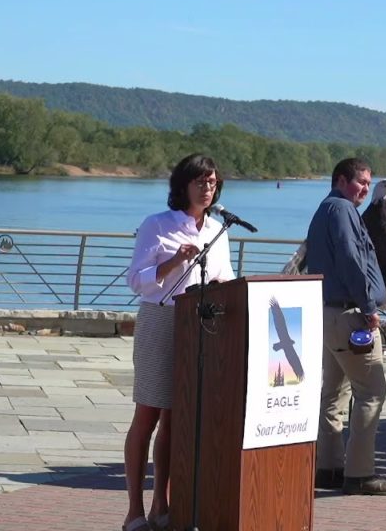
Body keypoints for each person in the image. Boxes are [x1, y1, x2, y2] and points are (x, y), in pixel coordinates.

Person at [122, 153, 235, 531]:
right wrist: (173, 261)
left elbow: (226, 279)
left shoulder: (218, 231)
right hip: (161, 320)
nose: (208, 188)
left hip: (198, 325)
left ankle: (161, 506)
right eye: (201, 182)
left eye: (213, 182)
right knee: (149, 415)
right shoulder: (158, 225)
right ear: (182, 186)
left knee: (176, 419)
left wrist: (221, 289)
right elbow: (136, 280)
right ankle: (134, 511)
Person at [306, 157, 386, 496]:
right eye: (360, 181)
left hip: (329, 314)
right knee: (372, 391)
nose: (364, 188)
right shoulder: (343, 211)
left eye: (367, 183)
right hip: (350, 316)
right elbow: (350, 259)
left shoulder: (326, 211)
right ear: (340, 180)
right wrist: (367, 307)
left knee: (333, 394)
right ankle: (360, 474)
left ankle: (328, 468)